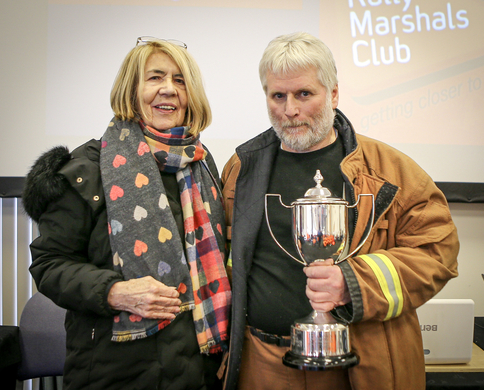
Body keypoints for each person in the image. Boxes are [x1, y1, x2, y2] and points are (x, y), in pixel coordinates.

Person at [221, 32, 459, 390]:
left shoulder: (392, 172)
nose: (290, 110)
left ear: (333, 93)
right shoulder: (240, 168)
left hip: (357, 367)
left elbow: (438, 253)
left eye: (304, 94)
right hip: (260, 362)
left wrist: (352, 283)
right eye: (278, 96)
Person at [22, 37, 231, 390]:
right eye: (155, 78)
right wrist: (114, 291)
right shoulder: (86, 168)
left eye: (180, 80)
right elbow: (49, 264)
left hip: (199, 370)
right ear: (130, 90)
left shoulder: (202, 165)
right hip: (115, 372)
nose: (169, 90)